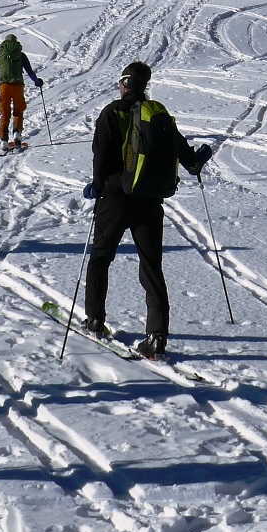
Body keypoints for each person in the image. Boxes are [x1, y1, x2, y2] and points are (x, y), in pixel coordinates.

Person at [81, 61, 212, 359]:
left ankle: (95, 319)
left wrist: (97, 186)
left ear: (124, 83)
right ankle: (156, 335)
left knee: (101, 257)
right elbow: (187, 158)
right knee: (151, 266)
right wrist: (199, 158)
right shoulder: (158, 115)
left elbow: (100, 155)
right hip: (150, 201)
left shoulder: (112, 112)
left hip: (115, 197)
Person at [0, 34, 44, 151]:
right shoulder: (21, 55)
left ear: (4, 43)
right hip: (18, 86)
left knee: (5, 114)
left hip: (4, 86)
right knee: (18, 112)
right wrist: (37, 82)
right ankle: (17, 136)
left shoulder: (0, 54)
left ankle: (4, 141)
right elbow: (29, 72)